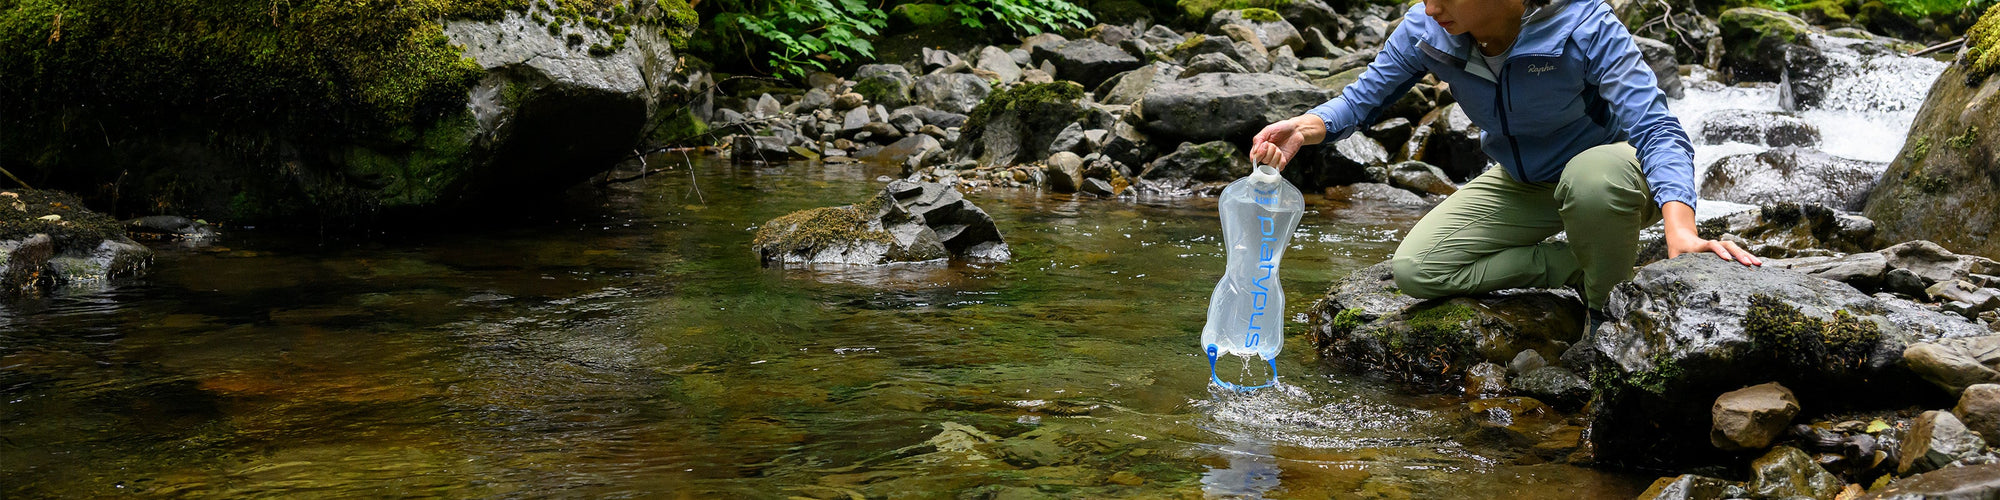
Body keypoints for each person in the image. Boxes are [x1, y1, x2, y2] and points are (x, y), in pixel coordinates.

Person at [1248, 0, 1761, 321]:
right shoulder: (1427, 29)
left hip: (1615, 177)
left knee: (1590, 181)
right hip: (1522, 181)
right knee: (1414, 271)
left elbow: (1657, 128)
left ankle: (1608, 315)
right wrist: (1307, 125)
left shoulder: (1584, 22)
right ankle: (1580, 269)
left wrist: (1682, 229)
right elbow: (1363, 98)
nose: (1430, 8)